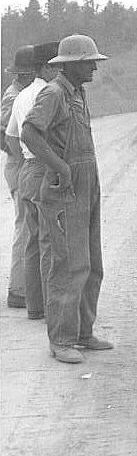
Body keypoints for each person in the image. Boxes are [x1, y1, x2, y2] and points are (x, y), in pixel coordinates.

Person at [21, 34, 111, 364]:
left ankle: (83, 333)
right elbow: (30, 131)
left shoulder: (77, 92)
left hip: (86, 186)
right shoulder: (54, 93)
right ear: (70, 64)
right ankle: (60, 339)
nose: (94, 68)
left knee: (91, 264)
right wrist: (60, 167)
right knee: (67, 267)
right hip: (63, 190)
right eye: (88, 62)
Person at [6, 42, 60, 320]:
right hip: (43, 168)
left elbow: (12, 137)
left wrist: (25, 159)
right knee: (49, 239)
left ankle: (35, 306)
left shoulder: (21, 96)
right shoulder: (50, 94)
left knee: (31, 241)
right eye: (58, 66)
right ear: (48, 67)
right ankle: (52, 306)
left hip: (26, 167)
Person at [2, 45, 36, 308]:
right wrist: (23, 159)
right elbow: (7, 136)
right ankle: (18, 291)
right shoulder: (15, 97)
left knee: (27, 226)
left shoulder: (20, 93)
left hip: (19, 165)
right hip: (19, 166)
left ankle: (24, 289)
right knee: (25, 227)